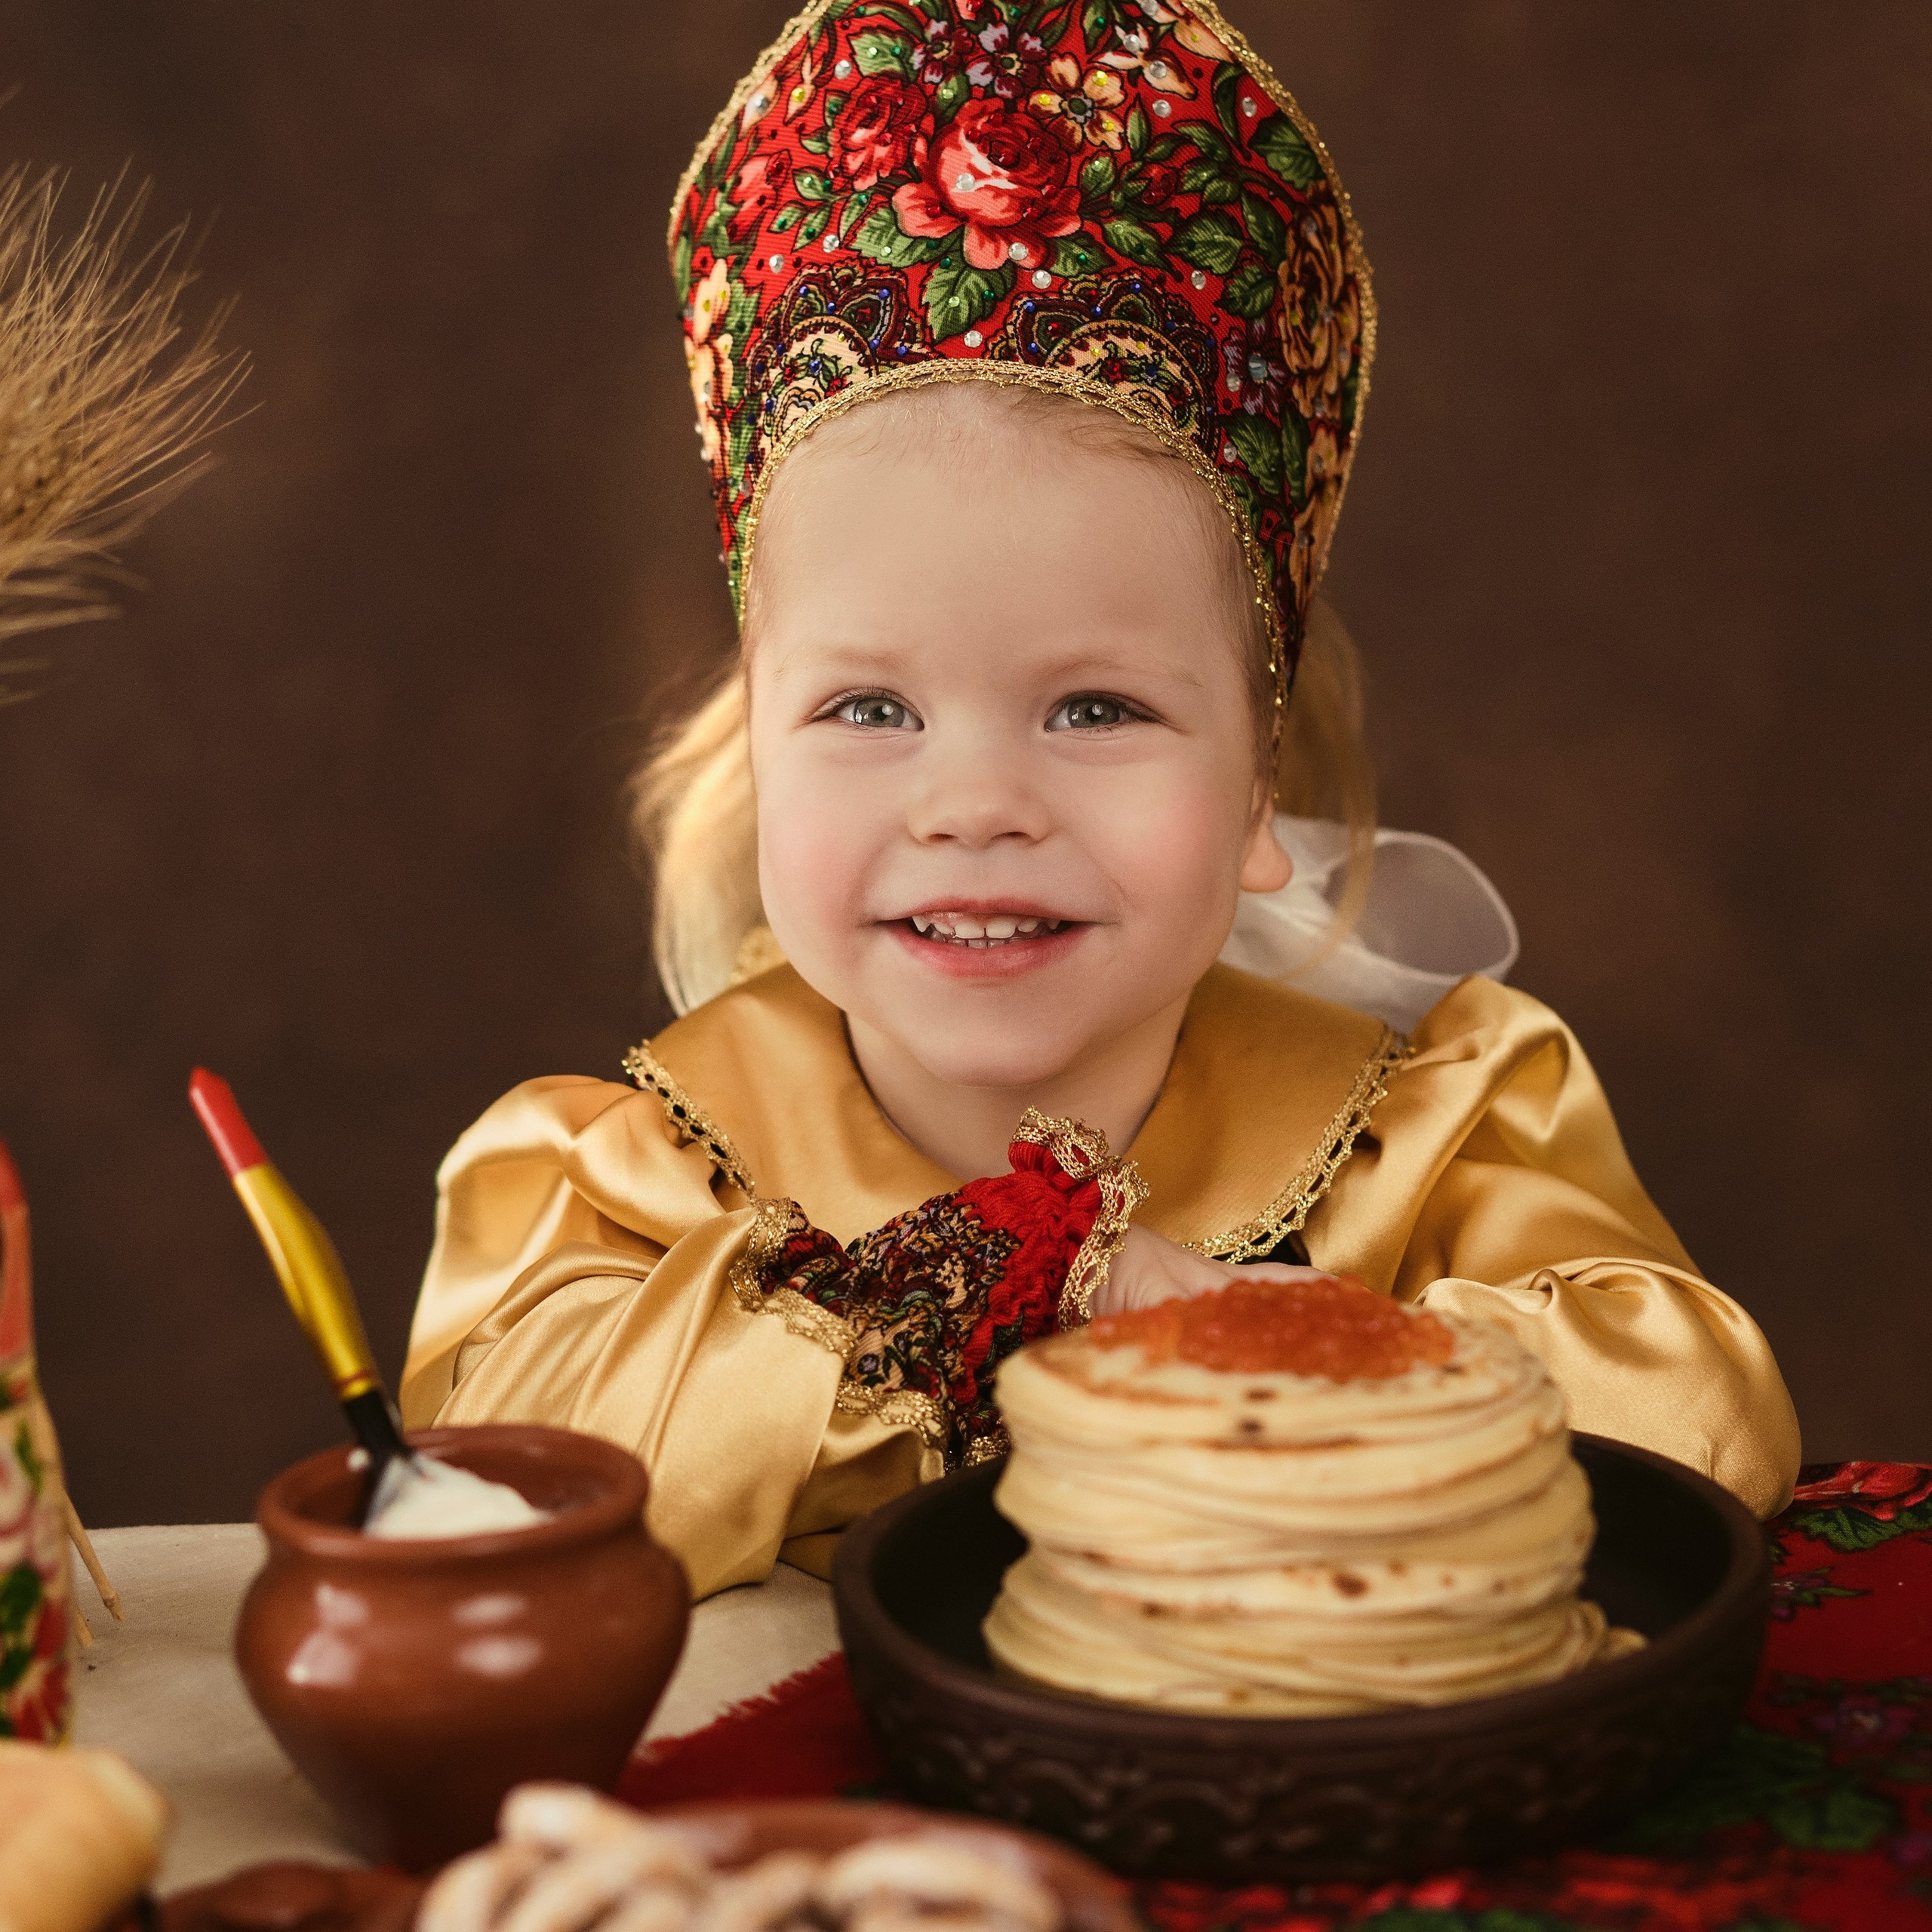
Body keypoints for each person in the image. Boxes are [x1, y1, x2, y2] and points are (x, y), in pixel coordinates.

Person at [399, 0, 1799, 1598]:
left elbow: (1695, 1416)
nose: (974, 800)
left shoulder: (1430, 1138)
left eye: (1094, 706)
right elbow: (496, 1479)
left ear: (1259, 776)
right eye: (867, 706)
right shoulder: (634, 1184)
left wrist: (1240, 1324)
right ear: (754, 754)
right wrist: (929, 1328)